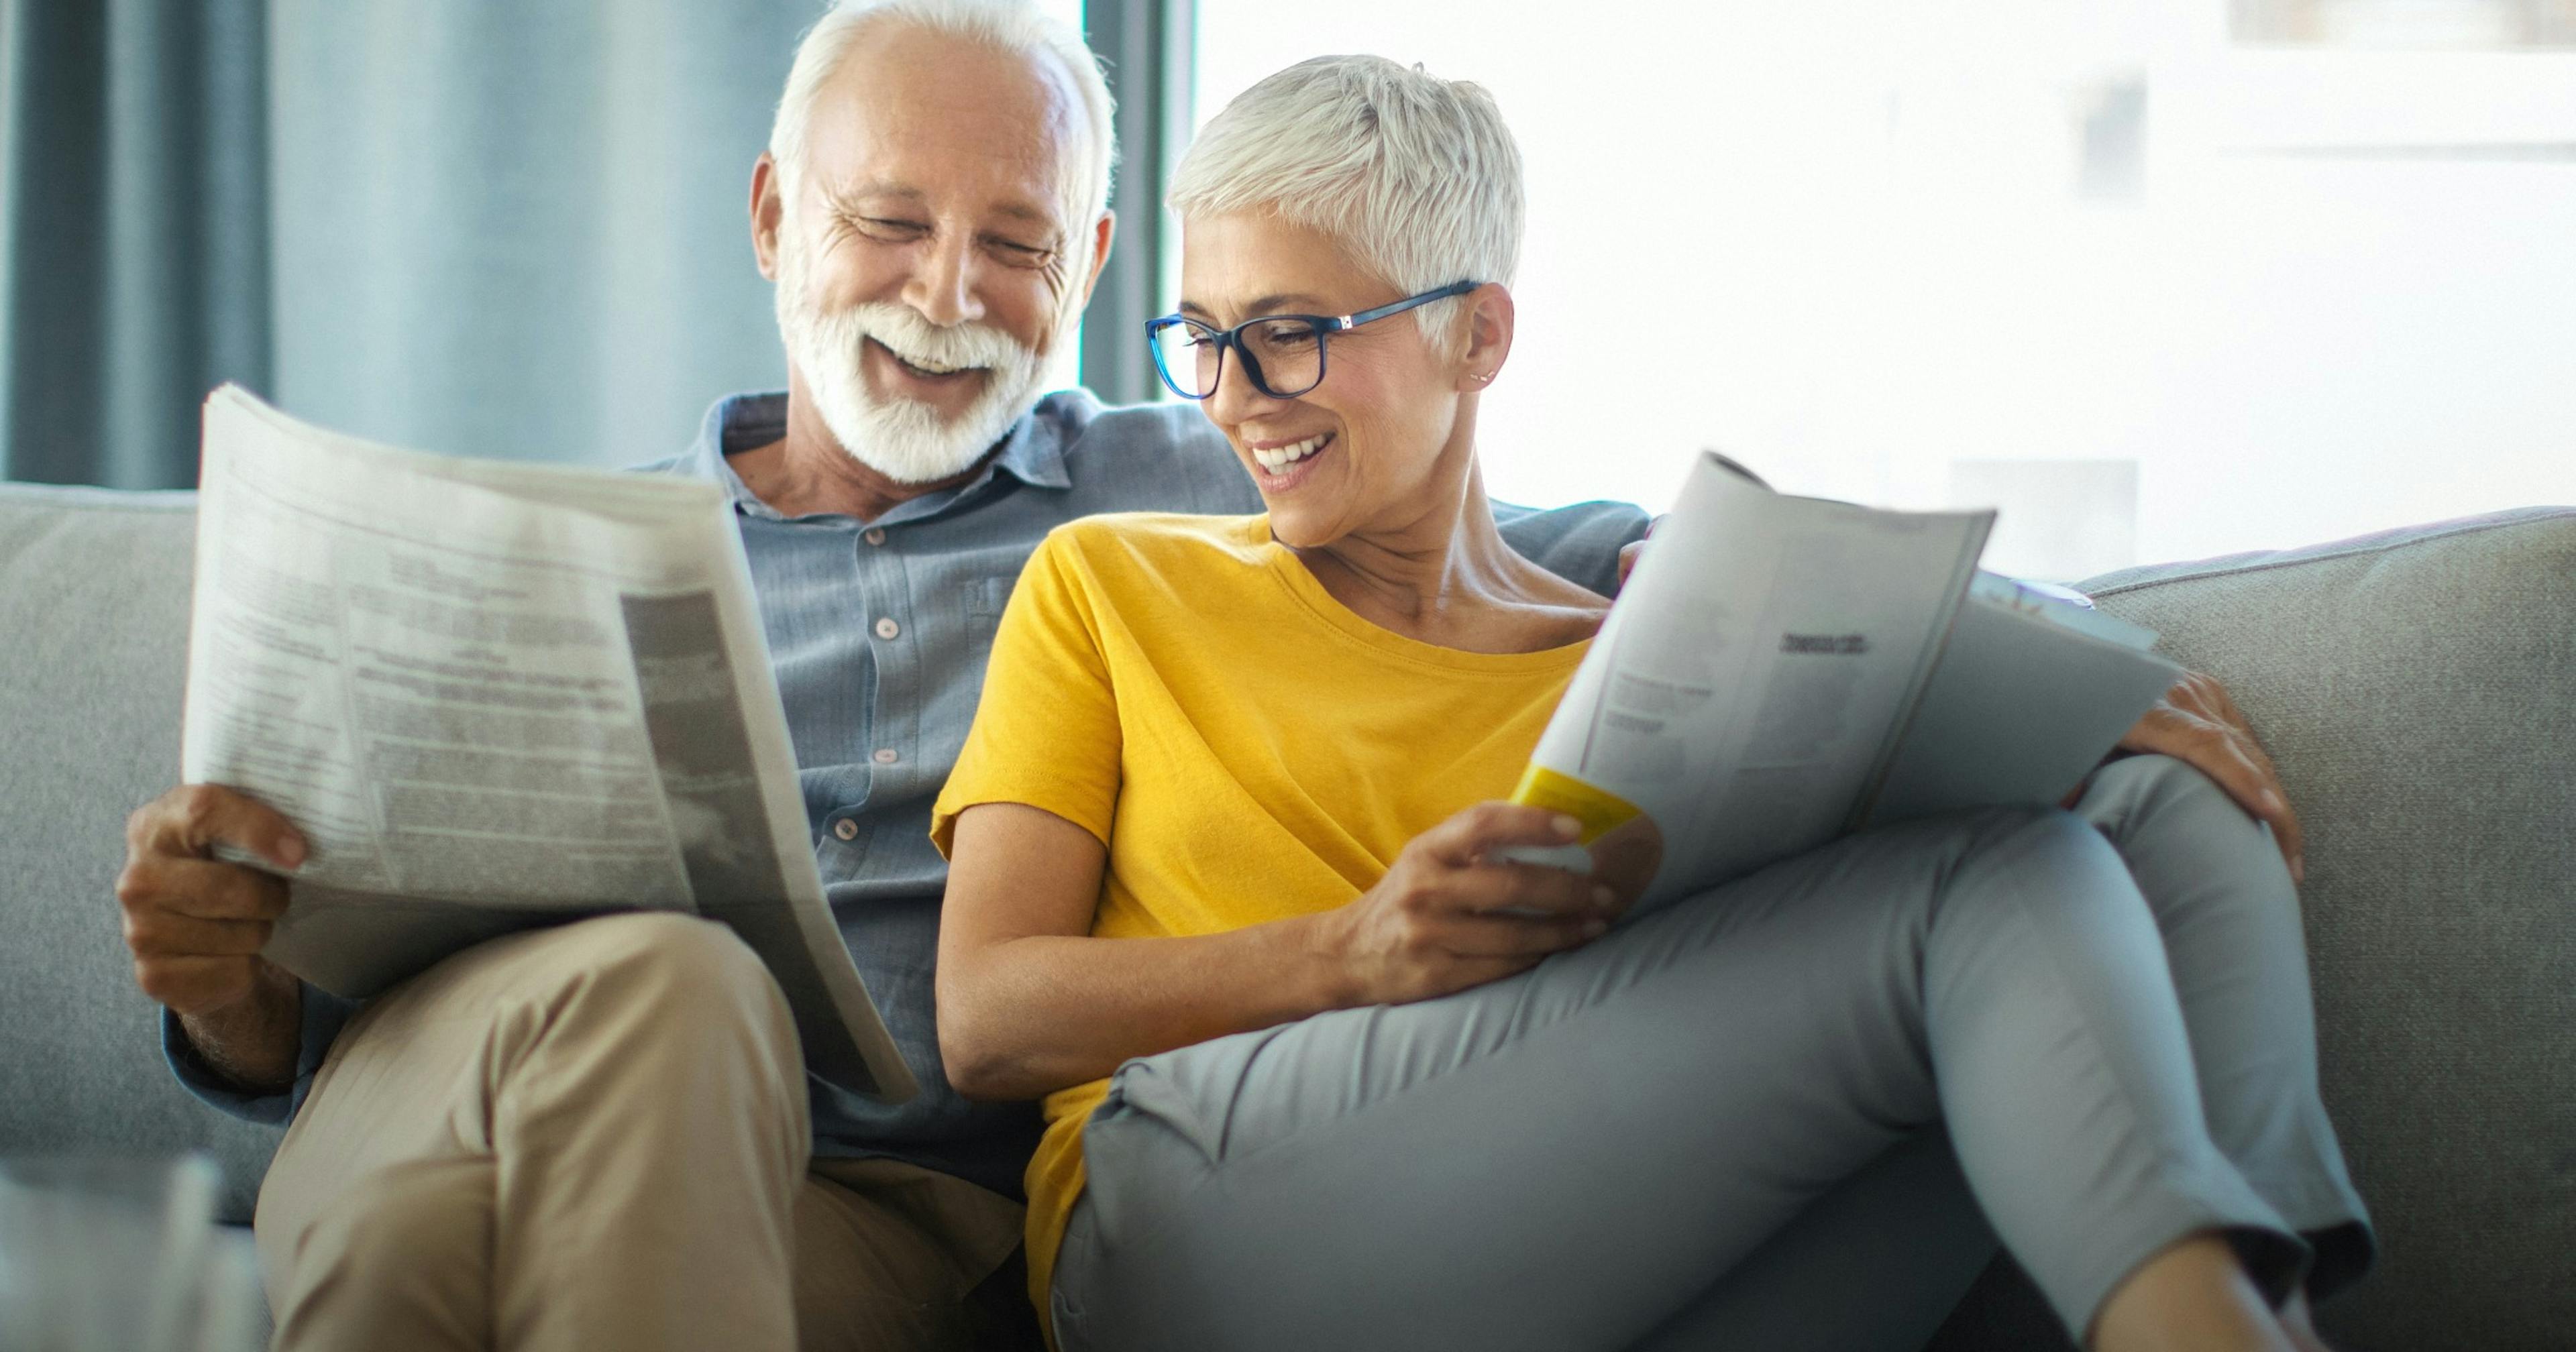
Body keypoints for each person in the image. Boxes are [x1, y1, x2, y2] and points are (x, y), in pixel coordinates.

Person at [108, 6, 1623, 1350]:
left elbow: (1455, 506)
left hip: (874, 1201)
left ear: (1089, 266)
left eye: (1018, 242)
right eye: (890, 221)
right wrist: (232, 990)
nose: (950, 293)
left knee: (429, 1264)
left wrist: (1685, 586)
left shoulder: (1194, 477)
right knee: (662, 991)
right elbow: (298, 1022)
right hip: (462, 1086)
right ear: (775, 218)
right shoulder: (560, 553)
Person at [930, 54, 2374, 1352]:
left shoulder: (1636, 663)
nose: (1239, 396)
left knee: (2154, 816)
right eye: (1205, 334)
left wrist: (2073, 693)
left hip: (1575, 1245)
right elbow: (985, 1018)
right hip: (1197, 1229)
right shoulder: (1111, 585)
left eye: (1296, 330)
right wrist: (1350, 955)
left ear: (1478, 337)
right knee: (2000, 884)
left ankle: (2272, 1309)